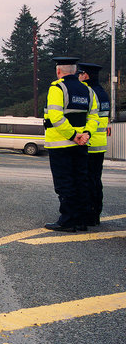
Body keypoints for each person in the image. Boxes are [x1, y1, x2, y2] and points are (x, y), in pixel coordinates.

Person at [43, 57, 99, 232]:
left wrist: (73, 135)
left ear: (59, 71)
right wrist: (86, 134)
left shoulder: (57, 88)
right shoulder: (88, 91)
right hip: (82, 145)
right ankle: (81, 220)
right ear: (75, 71)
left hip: (61, 145)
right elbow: (94, 117)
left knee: (64, 183)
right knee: (80, 180)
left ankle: (67, 221)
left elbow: (56, 117)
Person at [78, 62, 111, 226]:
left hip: (89, 143)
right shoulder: (103, 93)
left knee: (86, 180)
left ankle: (88, 214)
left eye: (81, 73)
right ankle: (95, 213)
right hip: (100, 143)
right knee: (96, 180)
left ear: (86, 75)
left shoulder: (89, 92)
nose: (78, 76)